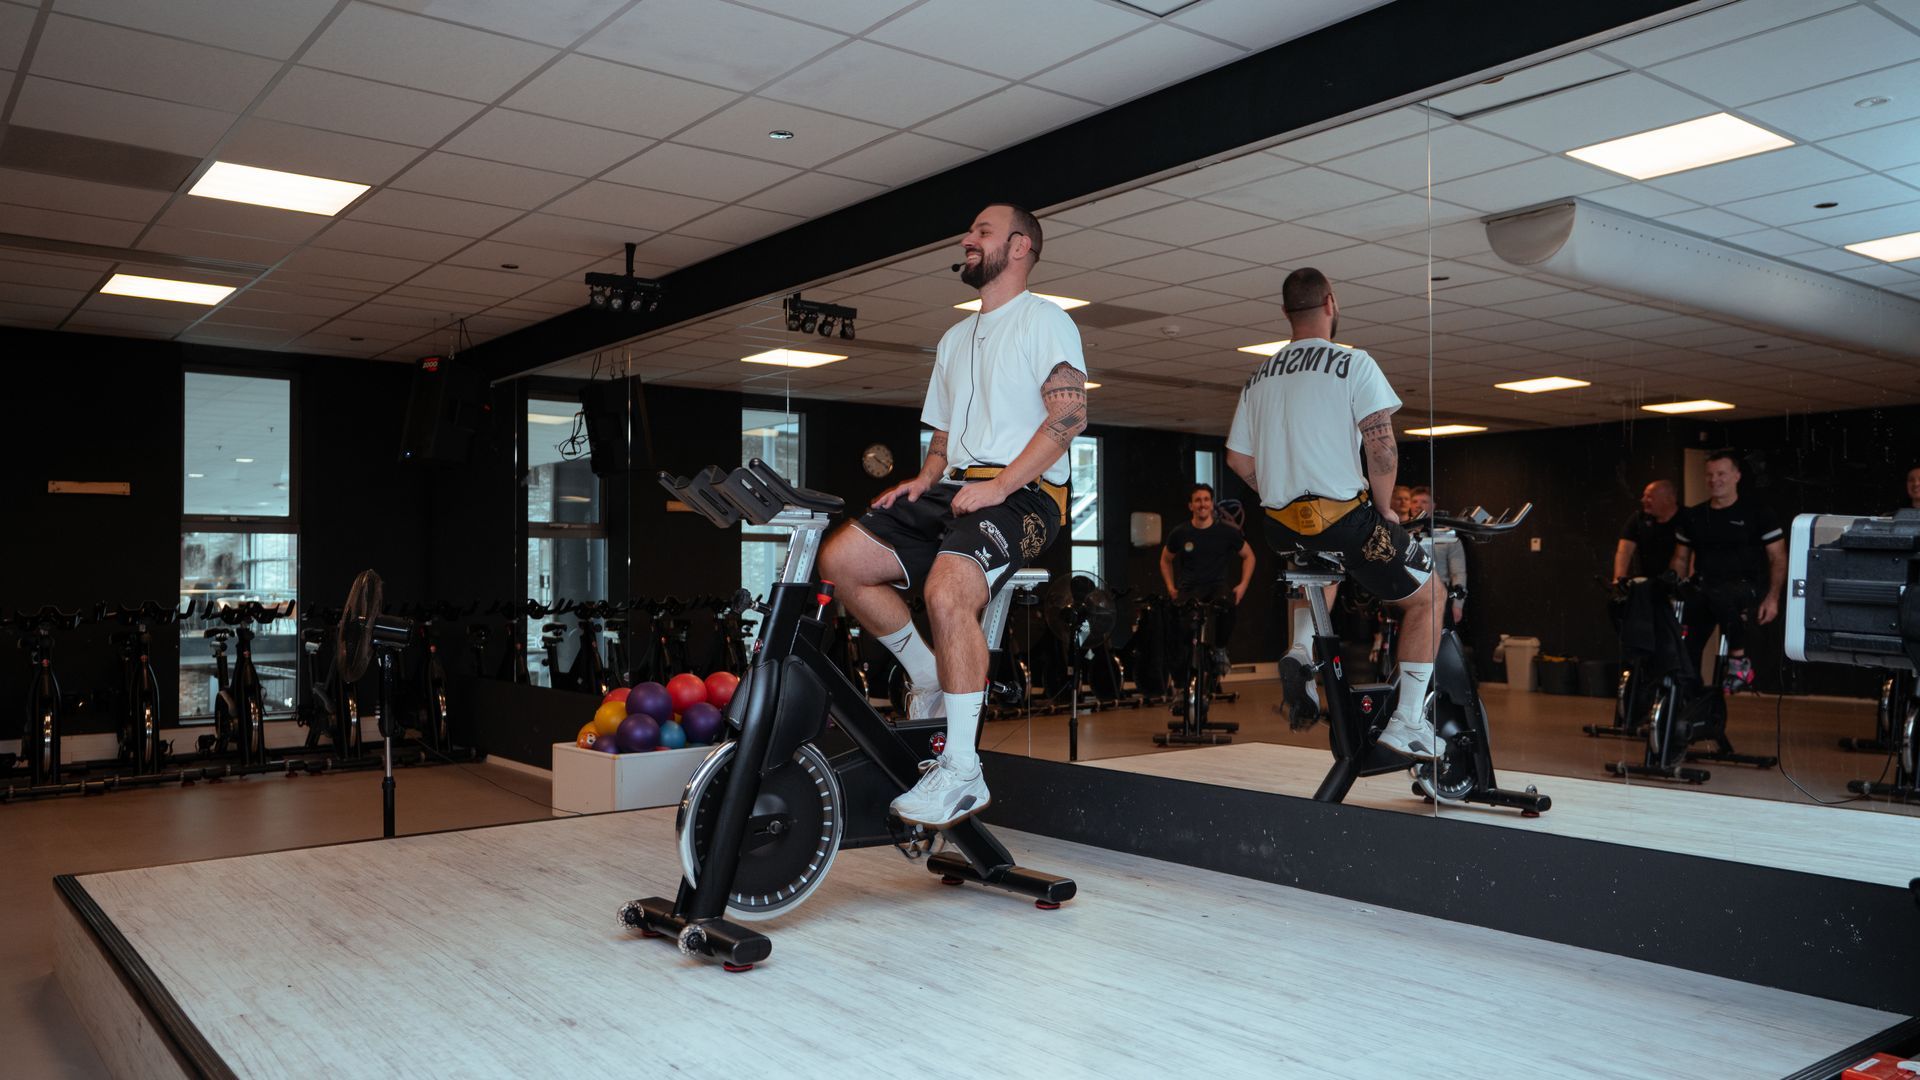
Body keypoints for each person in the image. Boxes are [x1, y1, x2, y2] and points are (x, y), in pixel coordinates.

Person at [816, 203, 1087, 828]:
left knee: (946, 593)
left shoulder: (1047, 320)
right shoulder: (955, 337)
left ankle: (963, 771)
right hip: (959, 486)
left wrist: (1001, 487)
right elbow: (943, 431)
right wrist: (924, 478)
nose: (968, 239)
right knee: (842, 560)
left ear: (1019, 247)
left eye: (982, 232)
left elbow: (1068, 420)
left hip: (1028, 494)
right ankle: (925, 671)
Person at [1225, 267, 1443, 758]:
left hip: (1280, 525)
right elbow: (1382, 450)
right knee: (1430, 597)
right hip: (1346, 518)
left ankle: (1301, 652)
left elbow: (1238, 459)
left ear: (1286, 313)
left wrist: (1275, 488)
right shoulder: (1354, 362)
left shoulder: (1258, 376)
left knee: (1323, 562)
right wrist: (1386, 509)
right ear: (1331, 303)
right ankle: (1408, 721)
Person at [1668, 452, 1785, 693]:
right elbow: (1680, 558)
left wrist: (1772, 598)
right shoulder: (1695, 516)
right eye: (1710, 475)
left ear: (1736, 476)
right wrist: (1673, 593)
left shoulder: (1758, 513)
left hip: (1745, 586)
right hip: (1705, 587)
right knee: (1685, 640)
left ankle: (1738, 661)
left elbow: (1778, 557)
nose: (1715, 480)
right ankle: (1687, 698)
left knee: (1721, 594)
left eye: (1721, 473)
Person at [1159, 483, 1256, 691]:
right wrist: (1170, 587)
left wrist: (1243, 586)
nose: (1202, 504)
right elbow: (1165, 560)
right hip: (1189, 589)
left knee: (1228, 606)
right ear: (1191, 506)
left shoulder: (1226, 532)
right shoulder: (1180, 533)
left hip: (1216, 587)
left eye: (1206, 500)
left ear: (1211, 504)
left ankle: (1220, 649)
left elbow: (1249, 556)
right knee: (1177, 628)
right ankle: (1179, 684)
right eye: (1197, 500)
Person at [1407, 486, 1466, 628]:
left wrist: (1458, 605)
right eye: (1415, 501)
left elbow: (1458, 573)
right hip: (1408, 594)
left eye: (1424, 502)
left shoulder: (1447, 536)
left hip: (1440, 595)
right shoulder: (1400, 532)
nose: (1418, 505)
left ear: (1433, 506)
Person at [1614, 480, 1680, 582]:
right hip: (1648, 582)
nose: (1643, 500)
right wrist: (1618, 579)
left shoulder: (1686, 518)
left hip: (1677, 582)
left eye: (1649, 497)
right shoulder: (1639, 519)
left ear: (1667, 499)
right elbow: (1624, 551)